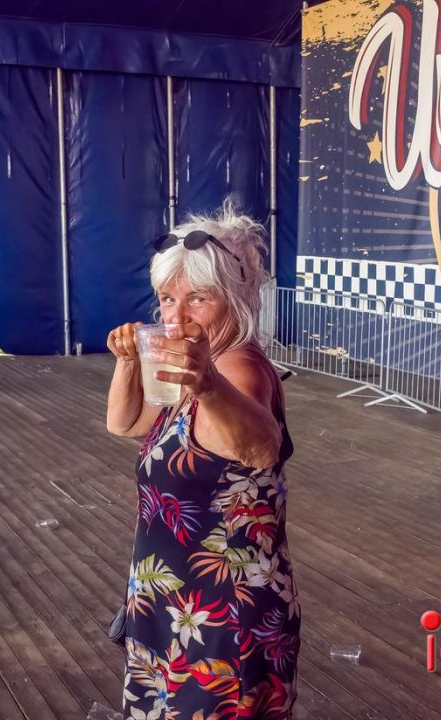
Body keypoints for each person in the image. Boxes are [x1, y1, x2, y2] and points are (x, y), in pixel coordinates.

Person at [106, 203, 300, 718]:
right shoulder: (192, 363)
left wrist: (209, 385)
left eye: (197, 298)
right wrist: (127, 362)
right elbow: (127, 425)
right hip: (169, 601)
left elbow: (261, 447)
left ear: (234, 298)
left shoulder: (237, 367)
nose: (176, 316)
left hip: (223, 618)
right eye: (168, 299)